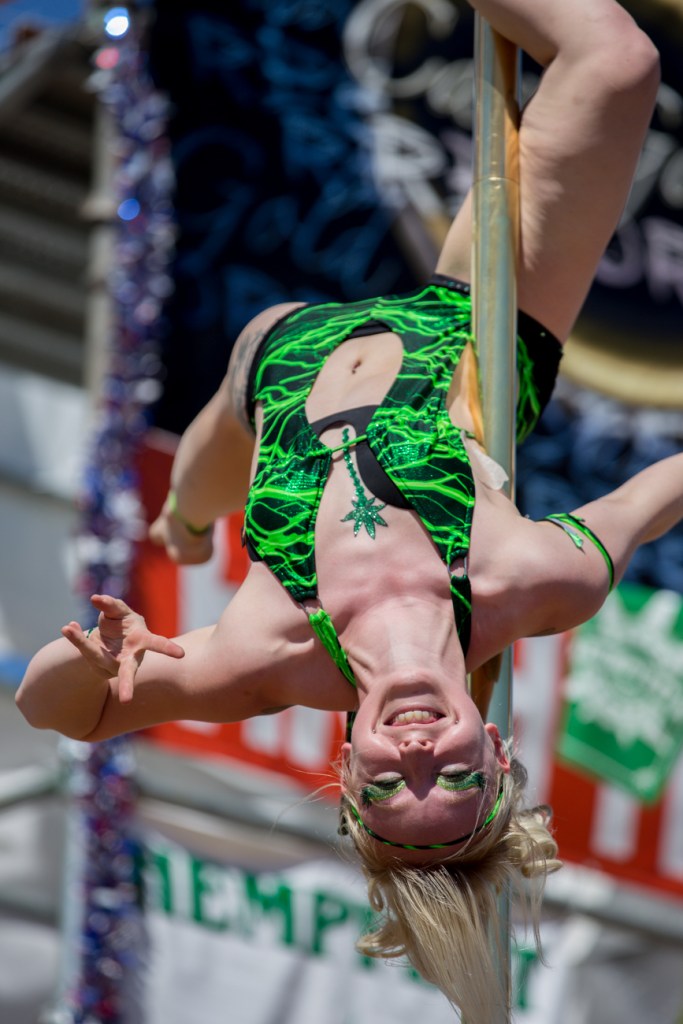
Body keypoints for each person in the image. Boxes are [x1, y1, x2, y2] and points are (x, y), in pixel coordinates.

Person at [16, 1, 674, 1020]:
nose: (414, 759)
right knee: (615, 64)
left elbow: (65, 712)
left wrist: (90, 663)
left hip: (269, 365)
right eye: (448, 778)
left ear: (350, 762)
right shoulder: (532, 581)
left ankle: (188, 521)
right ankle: (191, 518)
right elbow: (648, 494)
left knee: (196, 493)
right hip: (470, 314)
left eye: (384, 789)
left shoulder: (274, 657)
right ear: (493, 752)